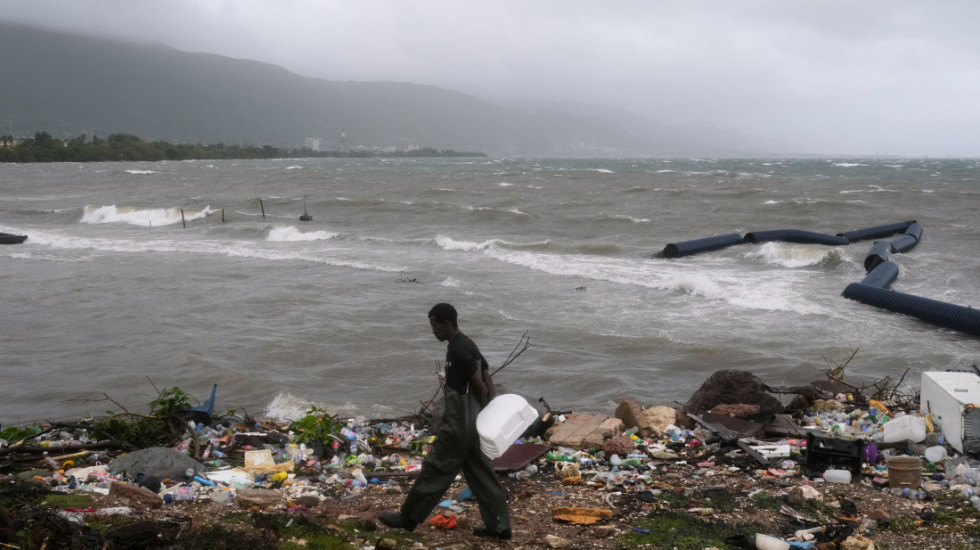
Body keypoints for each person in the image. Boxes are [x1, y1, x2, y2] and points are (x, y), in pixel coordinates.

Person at [379, 303, 512, 540]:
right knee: (483, 477)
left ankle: (408, 518)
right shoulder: (468, 343)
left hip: (460, 424)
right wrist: (488, 411)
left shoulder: (457, 350)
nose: (433, 331)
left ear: (446, 324)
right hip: (474, 425)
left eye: (434, 326)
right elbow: (487, 375)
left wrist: (482, 408)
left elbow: (479, 384)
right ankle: (500, 528)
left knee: (435, 467)